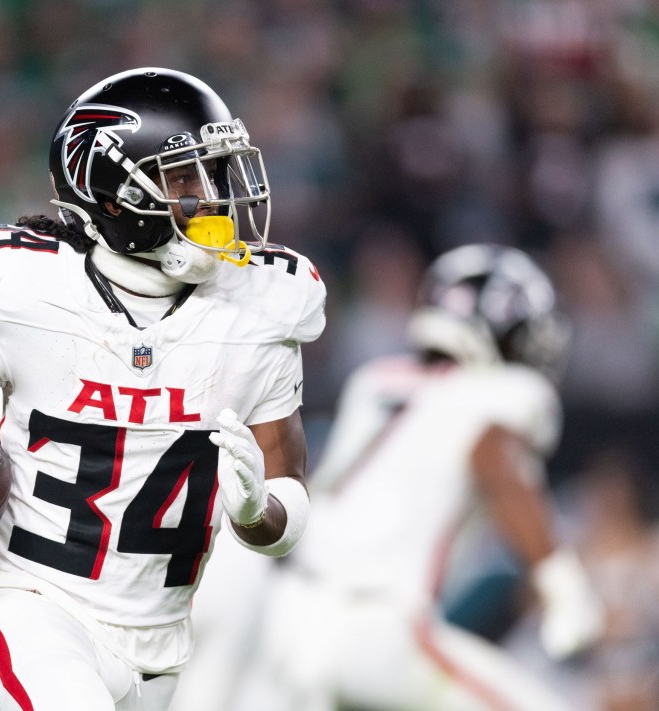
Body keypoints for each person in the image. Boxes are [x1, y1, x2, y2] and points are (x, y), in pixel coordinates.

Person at [0, 66, 327, 711]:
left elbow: (285, 505)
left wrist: (254, 512)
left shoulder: (260, 309)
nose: (214, 197)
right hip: (29, 606)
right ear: (112, 192)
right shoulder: (27, 292)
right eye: (184, 178)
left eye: (215, 174)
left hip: (159, 648)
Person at [222, 243, 603, 711]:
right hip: (376, 623)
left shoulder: (376, 380)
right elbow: (494, 459)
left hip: (283, 617)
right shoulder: (503, 394)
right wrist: (564, 588)